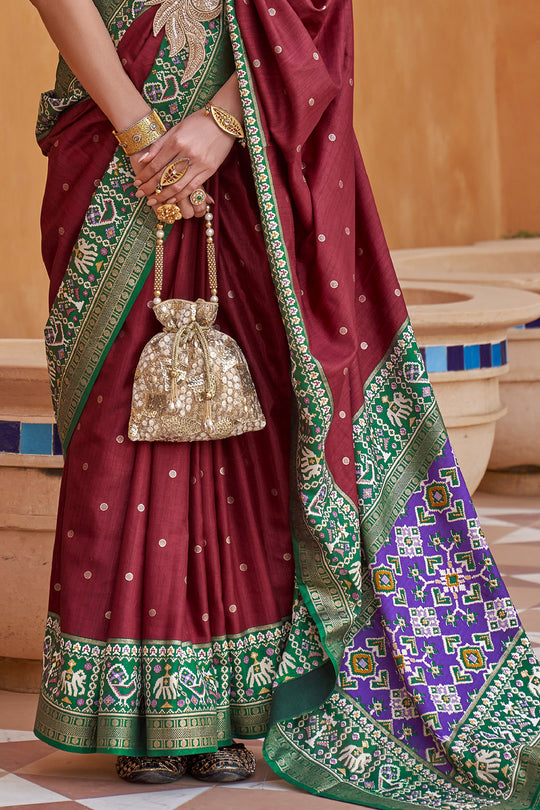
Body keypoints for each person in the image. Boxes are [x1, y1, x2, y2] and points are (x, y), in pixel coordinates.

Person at [30, 0, 540, 806]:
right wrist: (140, 135)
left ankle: (234, 699)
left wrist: (223, 121)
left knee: (246, 421)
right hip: (111, 133)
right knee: (132, 403)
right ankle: (133, 709)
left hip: (252, 145)